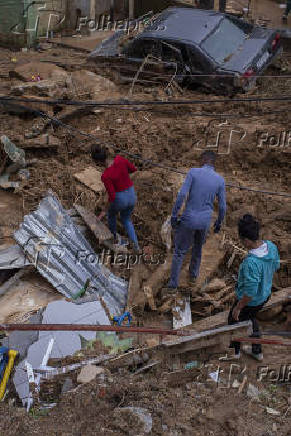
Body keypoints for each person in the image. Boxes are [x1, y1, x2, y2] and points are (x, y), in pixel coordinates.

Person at [168, 150, 226, 290]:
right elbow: (223, 207)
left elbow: (182, 195)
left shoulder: (193, 172)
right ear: (213, 163)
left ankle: (172, 286)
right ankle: (193, 277)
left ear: (204, 159)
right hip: (205, 221)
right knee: (198, 248)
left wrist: (174, 215)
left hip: (189, 219)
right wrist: (218, 224)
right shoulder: (220, 180)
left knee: (179, 252)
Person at [228, 214, 280, 361]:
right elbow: (276, 265)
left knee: (233, 320)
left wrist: (238, 307)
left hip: (253, 300)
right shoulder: (271, 247)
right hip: (265, 294)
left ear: (246, 240)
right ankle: (256, 350)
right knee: (250, 317)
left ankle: (235, 352)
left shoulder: (251, 263)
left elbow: (250, 292)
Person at [91, 145, 140, 251]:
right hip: (131, 195)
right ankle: (136, 246)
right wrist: (123, 176)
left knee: (111, 215)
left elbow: (112, 196)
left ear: (98, 162)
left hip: (120, 199)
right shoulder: (120, 159)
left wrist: (104, 210)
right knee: (126, 219)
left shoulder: (106, 175)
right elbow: (133, 169)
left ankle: (115, 239)